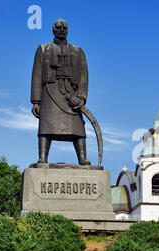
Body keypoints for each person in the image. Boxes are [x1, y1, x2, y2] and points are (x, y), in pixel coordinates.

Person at [31, 18, 90, 165]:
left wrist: (81, 98)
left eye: (64, 28)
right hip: (49, 93)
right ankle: (42, 158)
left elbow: (84, 76)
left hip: (71, 95)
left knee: (78, 128)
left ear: (68, 30)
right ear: (53, 30)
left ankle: (82, 158)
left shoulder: (78, 51)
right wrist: (36, 101)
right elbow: (36, 75)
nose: (61, 30)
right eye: (58, 27)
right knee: (46, 127)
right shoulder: (43, 49)